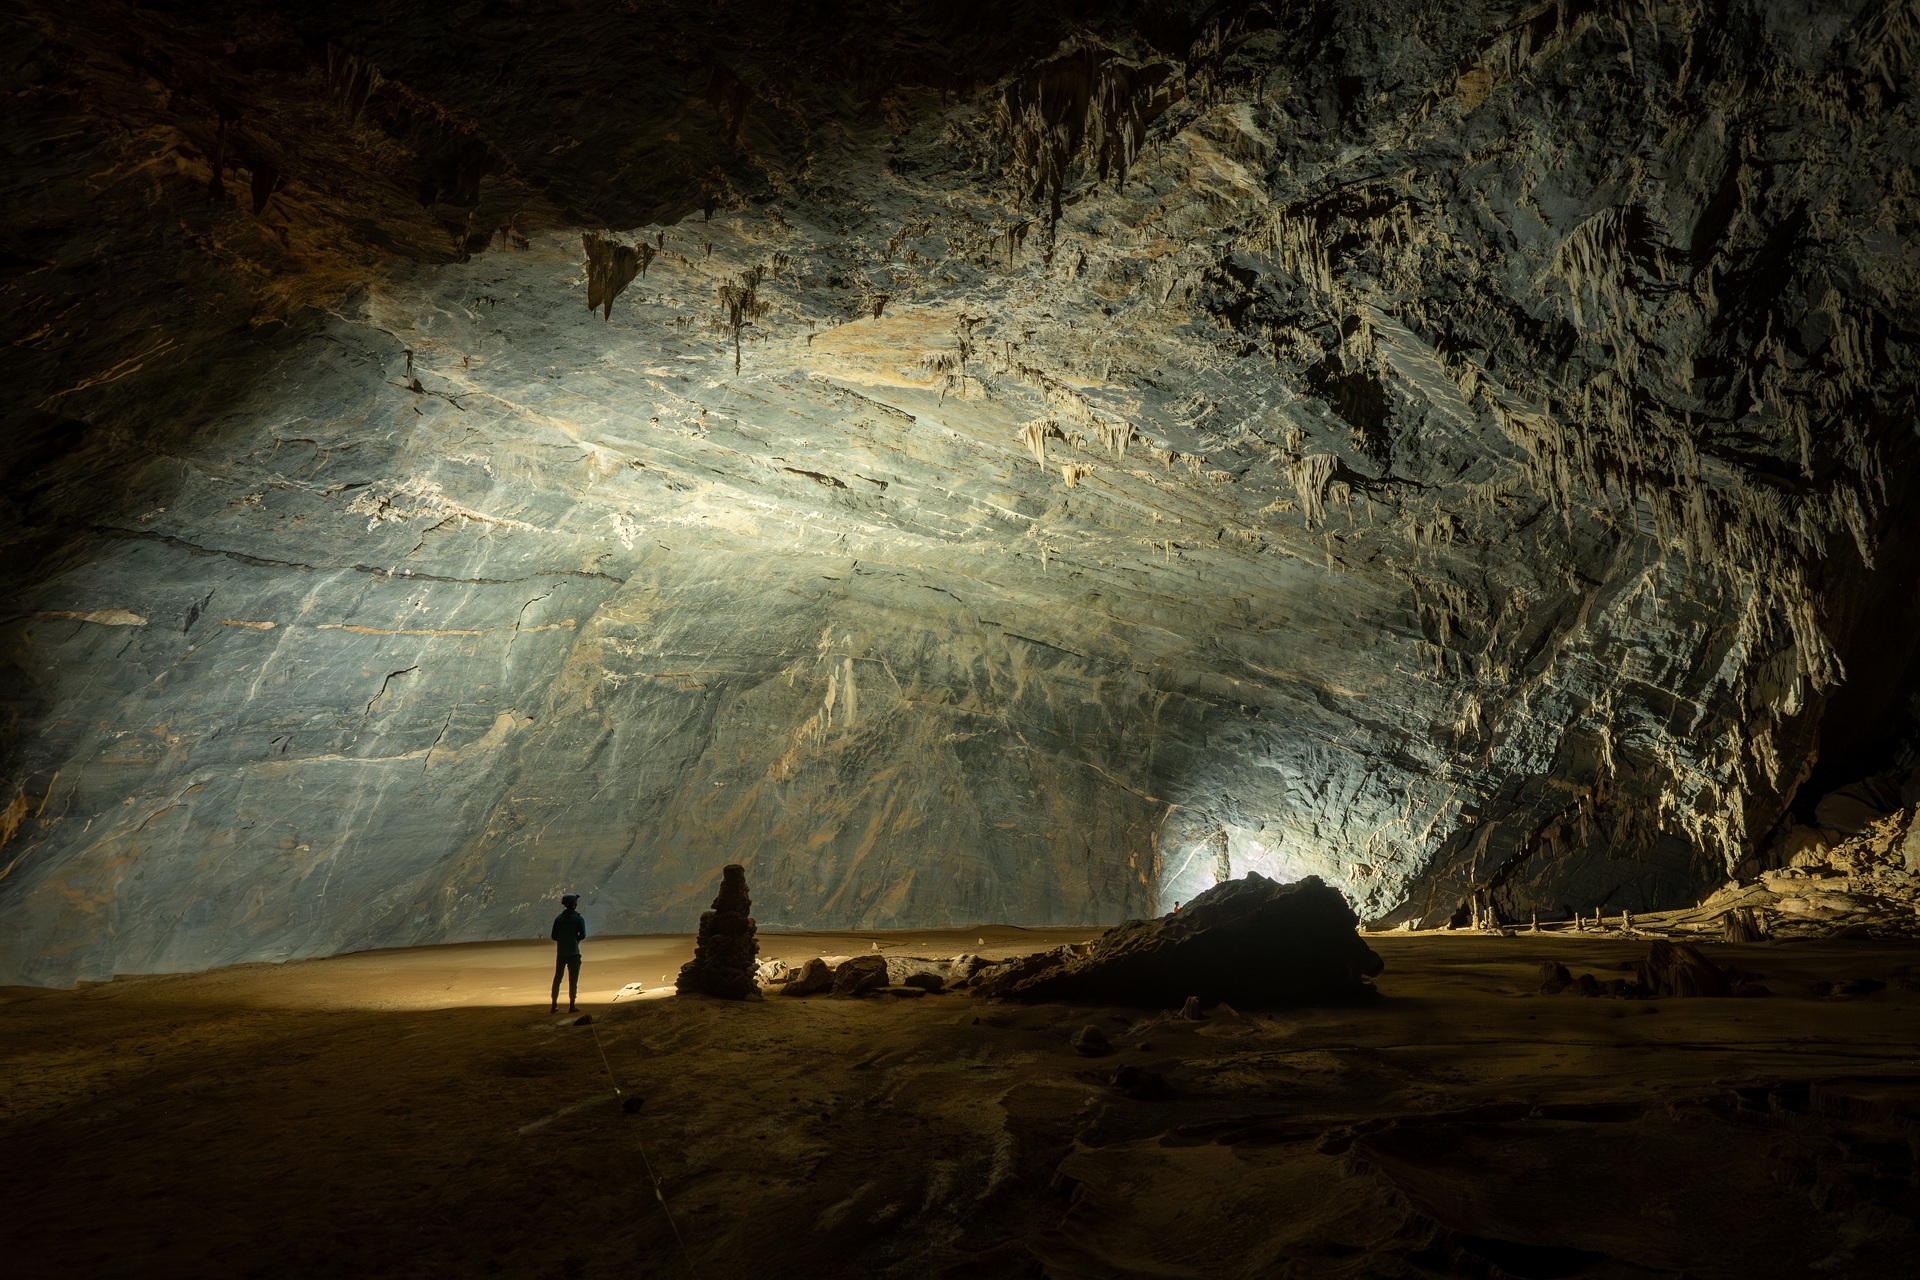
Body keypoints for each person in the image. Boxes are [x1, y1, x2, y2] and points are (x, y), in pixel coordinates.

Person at [550, 894, 587, 1013]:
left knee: (557, 979)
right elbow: (583, 935)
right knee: (573, 980)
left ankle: (554, 1005)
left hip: (561, 954)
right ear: (573, 904)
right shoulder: (578, 919)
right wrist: (575, 940)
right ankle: (572, 1005)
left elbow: (554, 936)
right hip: (574, 953)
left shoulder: (558, 919)